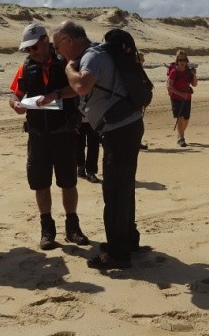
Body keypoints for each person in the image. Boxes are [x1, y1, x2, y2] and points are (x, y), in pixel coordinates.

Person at [54, 20, 144, 270]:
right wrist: (58, 95)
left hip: (120, 130)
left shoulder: (90, 57)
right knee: (123, 188)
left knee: (114, 192)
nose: (57, 52)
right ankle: (127, 240)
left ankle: (117, 254)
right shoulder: (98, 53)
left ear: (69, 41)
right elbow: (85, 88)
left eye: (57, 46)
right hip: (126, 126)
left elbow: (81, 84)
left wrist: (69, 69)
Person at [9, 22, 90, 250]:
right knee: (40, 184)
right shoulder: (26, 67)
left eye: (33, 47)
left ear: (45, 41)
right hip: (37, 136)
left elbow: (78, 87)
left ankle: (72, 227)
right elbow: (14, 94)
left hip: (64, 132)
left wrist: (55, 94)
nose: (30, 52)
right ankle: (47, 230)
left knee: (68, 182)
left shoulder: (66, 62)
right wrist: (15, 104)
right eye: (27, 49)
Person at [167, 49, 197, 147]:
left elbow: (194, 84)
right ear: (177, 61)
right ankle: (181, 137)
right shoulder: (174, 72)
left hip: (187, 98)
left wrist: (194, 75)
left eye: (184, 60)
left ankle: (180, 134)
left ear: (186, 60)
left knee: (186, 119)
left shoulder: (189, 71)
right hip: (176, 98)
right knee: (180, 117)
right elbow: (169, 87)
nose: (182, 62)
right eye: (180, 60)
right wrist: (180, 94)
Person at [76, 117, 99, 183]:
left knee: (93, 146)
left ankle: (91, 171)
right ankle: (80, 166)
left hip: (94, 119)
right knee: (78, 146)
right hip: (78, 119)